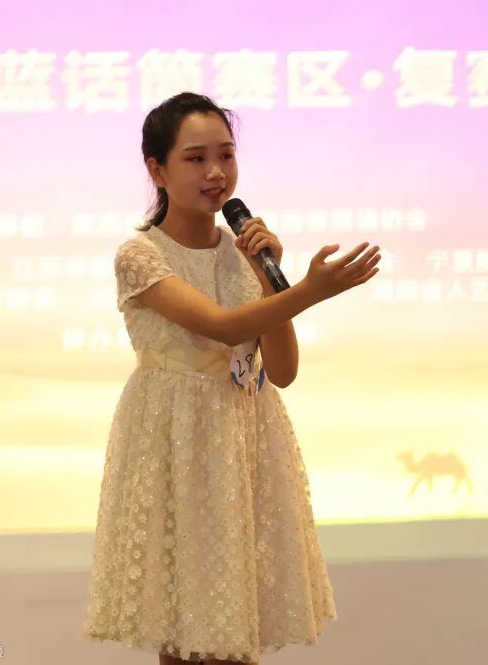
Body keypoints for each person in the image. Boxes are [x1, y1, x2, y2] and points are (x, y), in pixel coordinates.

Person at [82, 91, 381, 665]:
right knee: (182, 627)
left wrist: (271, 280)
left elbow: (284, 372)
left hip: (244, 438)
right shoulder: (141, 256)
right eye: (196, 159)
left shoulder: (245, 253)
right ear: (157, 170)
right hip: (174, 440)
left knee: (235, 620)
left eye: (226, 155)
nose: (216, 172)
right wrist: (309, 291)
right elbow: (220, 328)